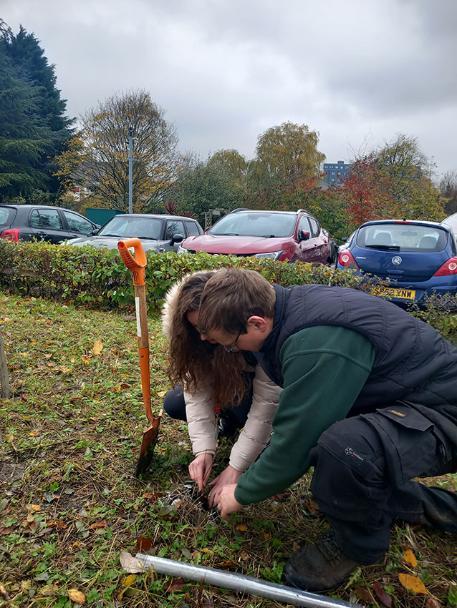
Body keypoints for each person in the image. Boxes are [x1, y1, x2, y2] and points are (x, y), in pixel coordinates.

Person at [195, 267, 457, 592]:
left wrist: (243, 492)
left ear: (256, 323)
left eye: (232, 345)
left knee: (344, 448)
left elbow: (297, 440)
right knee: (341, 445)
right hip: (408, 400)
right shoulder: (285, 308)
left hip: (444, 417)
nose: (232, 351)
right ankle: (423, 507)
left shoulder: (317, 342)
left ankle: (357, 546)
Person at [161, 271, 281, 506]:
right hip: (229, 391)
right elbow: (196, 393)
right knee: (175, 402)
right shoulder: (193, 337)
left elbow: (267, 403)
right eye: (197, 328)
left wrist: (236, 467)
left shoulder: (258, 333)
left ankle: (245, 426)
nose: (204, 336)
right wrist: (203, 451)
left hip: (254, 394)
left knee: (250, 412)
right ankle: (228, 421)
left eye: (209, 328)